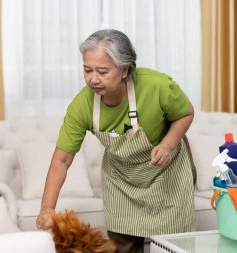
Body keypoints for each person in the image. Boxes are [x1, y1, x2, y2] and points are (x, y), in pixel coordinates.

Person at [36, 29, 195, 253]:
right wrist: (47, 208)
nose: (92, 79)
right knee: (123, 249)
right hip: (122, 182)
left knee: (173, 246)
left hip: (167, 174)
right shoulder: (82, 105)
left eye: (102, 71)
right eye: (87, 70)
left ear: (124, 70)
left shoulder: (157, 86)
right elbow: (62, 160)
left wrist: (167, 144)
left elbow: (185, 113)